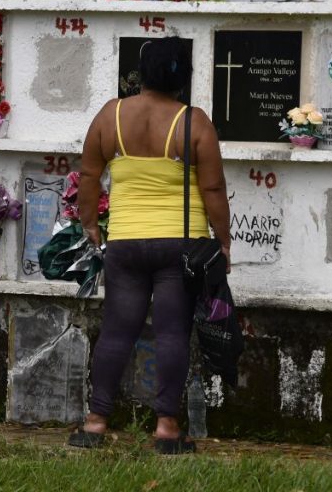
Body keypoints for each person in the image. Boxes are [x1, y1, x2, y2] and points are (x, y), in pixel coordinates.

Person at [68, 36, 231, 455]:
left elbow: (88, 176)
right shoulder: (194, 122)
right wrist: (224, 241)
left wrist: (90, 223)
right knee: (172, 332)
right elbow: (212, 187)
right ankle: (166, 428)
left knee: (118, 331)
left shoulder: (111, 115)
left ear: (141, 74)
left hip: (125, 240)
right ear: (183, 76)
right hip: (181, 246)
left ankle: (96, 422)